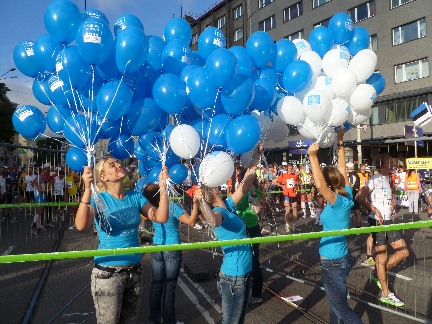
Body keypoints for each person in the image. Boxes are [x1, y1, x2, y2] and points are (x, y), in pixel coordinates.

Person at [75, 157, 170, 324]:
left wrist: (163, 187)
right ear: (103, 177)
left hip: (134, 272)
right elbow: (81, 225)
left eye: (118, 162)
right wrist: (87, 189)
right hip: (108, 274)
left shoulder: (135, 197)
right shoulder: (99, 198)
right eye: (112, 165)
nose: (119, 164)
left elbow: (161, 217)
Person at [194, 143, 262, 324]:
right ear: (214, 190)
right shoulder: (219, 212)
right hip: (234, 277)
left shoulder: (228, 206)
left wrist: (255, 159)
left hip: (243, 274)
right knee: (231, 321)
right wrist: (201, 202)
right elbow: (212, 221)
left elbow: (245, 185)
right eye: (217, 186)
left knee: (237, 320)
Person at [307, 129, 363, 324]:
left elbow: (321, 186)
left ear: (329, 185)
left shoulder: (337, 201)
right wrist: (340, 141)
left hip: (333, 263)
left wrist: (313, 157)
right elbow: (342, 169)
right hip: (339, 260)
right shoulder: (345, 193)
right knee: (335, 307)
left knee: (341, 309)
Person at [358, 154, 409, 307]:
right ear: (381, 165)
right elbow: (360, 197)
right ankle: (385, 293)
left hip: (388, 221)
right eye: (389, 163)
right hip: (378, 221)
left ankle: (378, 274)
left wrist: (392, 202)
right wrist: (374, 210)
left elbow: (387, 195)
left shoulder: (387, 179)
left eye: (392, 163)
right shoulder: (375, 178)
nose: (392, 165)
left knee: (404, 252)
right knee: (382, 257)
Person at [143, 183, 199, 324]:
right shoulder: (171, 206)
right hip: (172, 247)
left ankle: (153, 320)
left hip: (156, 247)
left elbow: (141, 217)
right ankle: (169, 320)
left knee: (156, 284)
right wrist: (196, 203)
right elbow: (191, 222)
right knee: (170, 286)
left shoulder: (150, 209)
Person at [235, 175, 264, 306]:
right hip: (243, 229)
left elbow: (256, 210)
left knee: (253, 262)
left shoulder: (253, 192)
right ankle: (246, 286)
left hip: (250, 229)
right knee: (244, 259)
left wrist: (251, 191)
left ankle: (257, 294)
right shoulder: (241, 193)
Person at [274, 163, 300, 232]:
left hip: (294, 194)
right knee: (287, 210)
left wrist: (297, 183)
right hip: (287, 195)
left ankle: (294, 225)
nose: (291, 170)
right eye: (289, 168)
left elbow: (298, 182)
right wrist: (282, 186)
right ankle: (287, 225)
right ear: (287, 168)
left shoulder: (295, 175)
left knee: (295, 209)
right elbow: (274, 181)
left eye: (292, 168)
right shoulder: (283, 175)